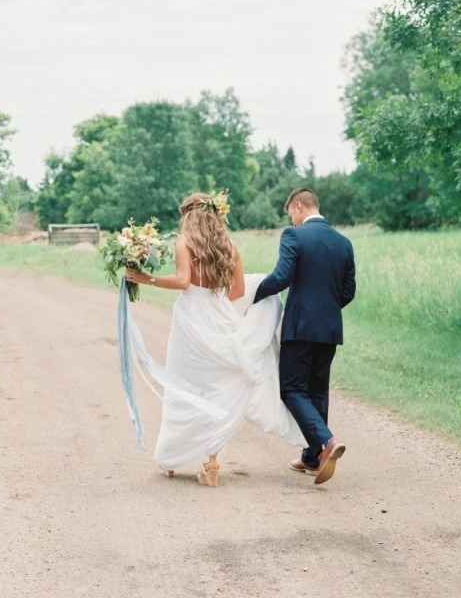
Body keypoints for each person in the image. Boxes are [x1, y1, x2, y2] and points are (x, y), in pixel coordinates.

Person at [126, 191, 304, 487]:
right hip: (221, 317)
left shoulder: (185, 243)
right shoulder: (230, 246)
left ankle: (172, 457)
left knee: (184, 389)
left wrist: (145, 279)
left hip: (191, 323)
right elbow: (236, 293)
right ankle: (211, 461)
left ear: (189, 216)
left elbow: (183, 281)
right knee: (219, 389)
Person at [254, 187, 356, 485]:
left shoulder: (294, 235)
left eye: (291, 215)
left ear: (299, 207)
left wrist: (250, 297)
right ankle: (312, 458)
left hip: (300, 328)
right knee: (317, 391)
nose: (292, 221)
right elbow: (348, 292)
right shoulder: (344, 242)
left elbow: (281, 277)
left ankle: (326, 441)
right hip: (329, 328)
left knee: (292, 390)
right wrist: (325, 310)